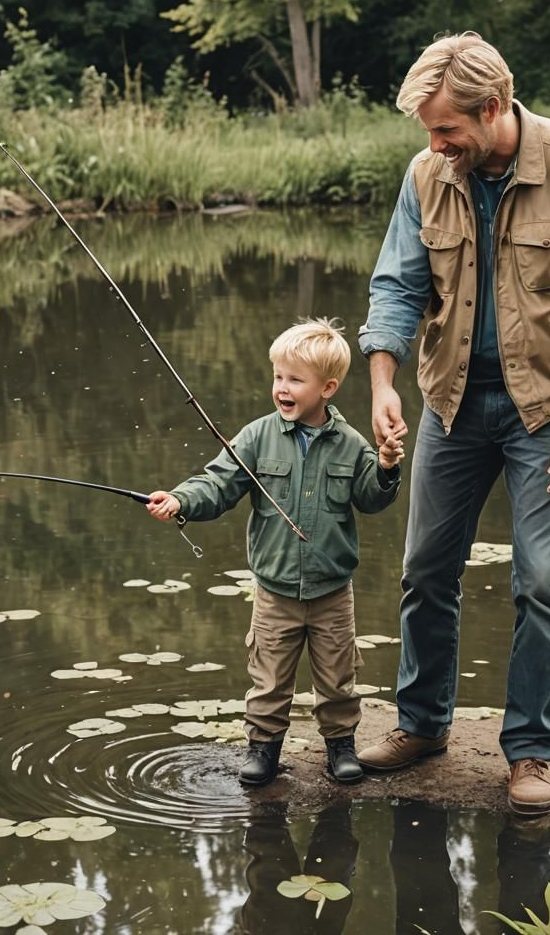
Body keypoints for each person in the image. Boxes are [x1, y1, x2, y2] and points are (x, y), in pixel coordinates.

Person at [357, 32, 550, 816]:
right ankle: (420, 726)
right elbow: (396, 285)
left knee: (542, 579)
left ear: (492, 109)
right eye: (428, 132)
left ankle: (529, 753)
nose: (435, 145)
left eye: (447, 129)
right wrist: (383, 382)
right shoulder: (427, 174)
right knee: (424, 569)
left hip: (549, 413)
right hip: (449, 405)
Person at [146, 318, 404, 787]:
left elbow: (372, 498)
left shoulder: (351, 444)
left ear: (328, 387)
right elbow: (217, 483)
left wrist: (386, 466)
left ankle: (341, 747)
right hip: (273, 594)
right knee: (268, 681)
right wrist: (181, 499)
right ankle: (263, 749)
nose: (282, 388)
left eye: (294, 380)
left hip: (332, 593)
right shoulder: (256, 437)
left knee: (337, 679)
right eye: (277, 377)